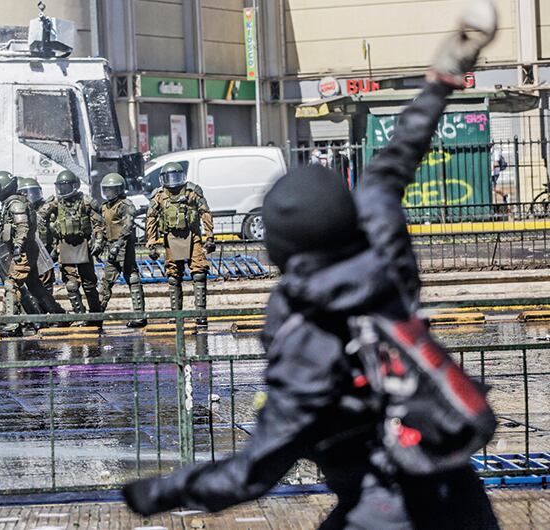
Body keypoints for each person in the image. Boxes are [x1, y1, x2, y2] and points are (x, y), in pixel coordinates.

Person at [122, 2, 500, 527]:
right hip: (461, 499)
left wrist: (157, 492)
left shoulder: (307, 332)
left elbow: (255, 471)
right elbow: (397, 156)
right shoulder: (380, 245)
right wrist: (443, 75)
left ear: (281, 248)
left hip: (383, 511)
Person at [0, 172, 62, 336]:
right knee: (35, 286)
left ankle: (12, 323)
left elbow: (23, 227)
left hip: (24, 251)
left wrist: (18, 247)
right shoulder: (9, 203)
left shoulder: (16, 205)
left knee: (11, 284)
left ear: (5, 188)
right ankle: (60, 316)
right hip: (25, 249)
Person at [145, 162, 215, 326]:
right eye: (169, 177)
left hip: (193, 236)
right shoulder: (159, 195)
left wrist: (210, 236)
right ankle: (176, 314)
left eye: (176, 176)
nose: (173, 181)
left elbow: (205, 212)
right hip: (170, 238)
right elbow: (151, 219)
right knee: (173, 276)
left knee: (199, 273)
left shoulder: (192, 192)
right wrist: (151, 242)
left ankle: (200, 313)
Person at [44, 170, 104, 326]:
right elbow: (40, 216)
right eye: (61, 187)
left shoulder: (85, 201)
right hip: (64, 246)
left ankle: (96, 317)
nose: (63, 190)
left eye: (66, 187)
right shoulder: (56, 203)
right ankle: (80, 316)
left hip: (83, 245)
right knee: (71, 285)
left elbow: (98, 224)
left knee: (89, 285)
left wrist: (98, 242)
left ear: (75, 186)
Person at [97, 173, 147, 328]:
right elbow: (103, 227)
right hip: (111, 247)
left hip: (124, 247)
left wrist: (118, 245)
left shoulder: (125, 205)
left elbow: (127, 226)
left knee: (132, 277)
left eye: (111, 190)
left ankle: (139, 316)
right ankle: (97, 316)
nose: (108, 193)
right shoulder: (105, 206)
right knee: (106, 282)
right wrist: (99, 243)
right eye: (106, 190)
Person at [19, 177, 56, 293]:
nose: (31, 196)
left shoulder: (47, 208)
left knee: (46, 281)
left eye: (33, 192)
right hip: (27, 251)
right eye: (27, 193)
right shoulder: (20, 210)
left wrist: (55, 248)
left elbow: (55, 231)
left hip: (44, 251)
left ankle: (49, 307)